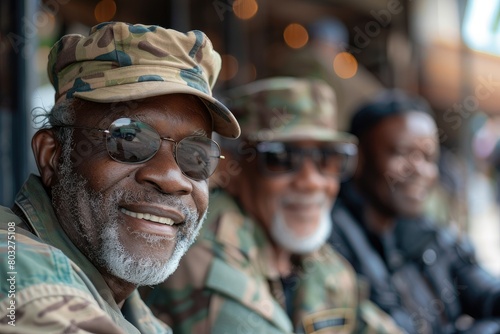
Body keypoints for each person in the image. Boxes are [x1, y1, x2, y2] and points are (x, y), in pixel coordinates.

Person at [0, 21, 240, 333]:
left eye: (196, 155)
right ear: (53, 156)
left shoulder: (137, 317)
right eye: (129, 138)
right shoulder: (18, 273)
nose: (171, 178)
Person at [141, 77, 404, 333]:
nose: (312, 182)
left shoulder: (311, 257)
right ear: (232, 169)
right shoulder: (205, 252)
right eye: (281, 158)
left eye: (328, 158)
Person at [329, 89, 500, 334]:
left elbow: (483, 289)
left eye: (428, 157)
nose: (419, 169)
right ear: (358, 159)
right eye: (401, 153)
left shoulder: (424, 230)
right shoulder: (335, 241)